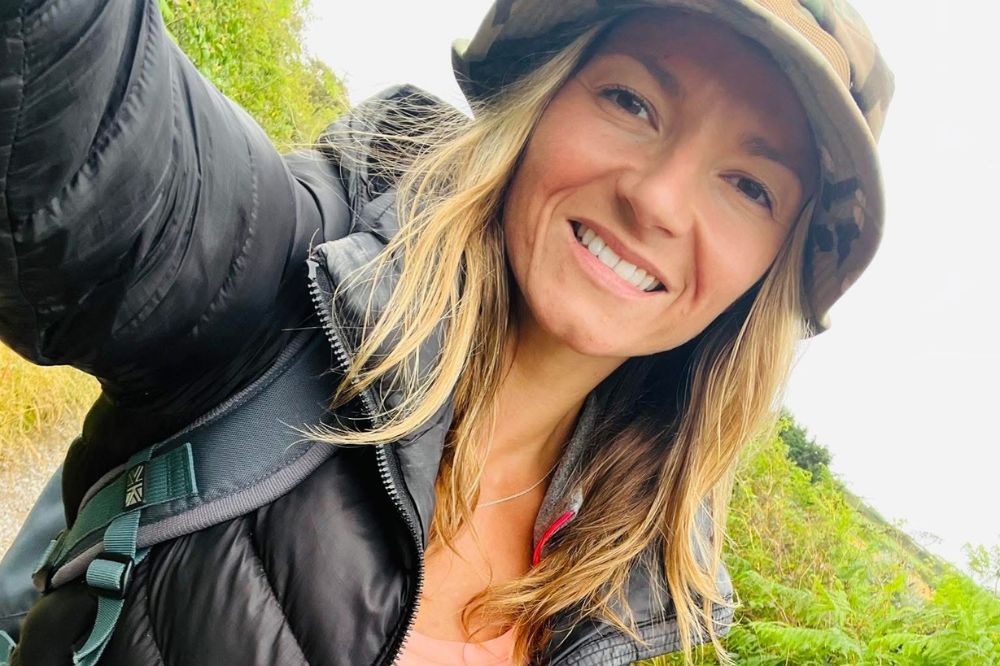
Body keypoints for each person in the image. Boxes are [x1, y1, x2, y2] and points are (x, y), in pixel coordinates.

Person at [0, 0, 893, 663]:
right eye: (631, 101)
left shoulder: (645, 596)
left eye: (749, 186)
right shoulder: (301, 275)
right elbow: (89, 136)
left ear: (767, 271)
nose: (656, 198)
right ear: (542, 100)